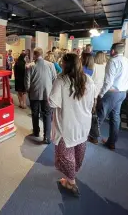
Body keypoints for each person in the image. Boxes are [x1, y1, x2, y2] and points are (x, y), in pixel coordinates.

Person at [49, 53, 95, 196]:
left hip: (67, 123)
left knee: (66, 155)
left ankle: (71, 183)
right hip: (83, 123)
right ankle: (71, 177)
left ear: (65, 64)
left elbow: (52, 102)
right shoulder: (88, 79)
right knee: (78, 151)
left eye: (62, 62)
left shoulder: (61, 80)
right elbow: (92, 101)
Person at [88, 43, 128, 150]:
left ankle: (94, 138)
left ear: (113, 51)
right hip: (122, 93)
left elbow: (108, 81)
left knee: (100, 116)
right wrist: (122, 89)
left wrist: (101, 94)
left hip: (111, 93)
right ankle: (112, 142)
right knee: (115, 118)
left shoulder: (113, 61)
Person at [25, 47, 55, 144]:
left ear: (35, 54)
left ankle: (36, 132)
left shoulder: (30, 66)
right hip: (47, 94)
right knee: (47, 115)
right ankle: (46, 137)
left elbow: (27, 82)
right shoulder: (51, 65)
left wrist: (28, 91)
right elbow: (55, 79)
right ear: (42, 54)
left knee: (35, 113)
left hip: (34, 94)